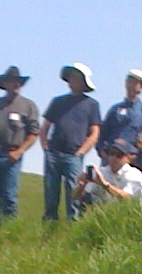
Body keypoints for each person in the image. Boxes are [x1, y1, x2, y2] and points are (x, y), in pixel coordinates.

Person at [40, 63, 103, 222]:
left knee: (74, 193)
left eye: (76, 77)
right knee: (51, 191)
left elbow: (94, 132)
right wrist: (46, 147)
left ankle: (72, 224)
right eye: (71, 76)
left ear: (83, 81)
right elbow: (45, 127)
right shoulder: (57, 101)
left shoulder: (91, 105)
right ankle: (50, 225)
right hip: (54, 152)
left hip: (73, 154)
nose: (73, 80)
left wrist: (81, 151)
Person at [0, 66, 40, 224]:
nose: (14, 85)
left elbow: (34, 133)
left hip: (12, 155)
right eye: (11, 82)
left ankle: (10, 229)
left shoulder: (28, 106)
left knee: (9, 196)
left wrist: (20, 151)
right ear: (5, 84)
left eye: (17, 82)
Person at [72, 139, 142, 211]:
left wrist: (105, 185)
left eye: (118, 155)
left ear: (127, 158)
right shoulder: (102, 172)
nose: (114, 157)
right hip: (107, 215)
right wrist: (82, 185)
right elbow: (75, 196)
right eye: (111, 153)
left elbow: (127, 198)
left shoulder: (134, 174)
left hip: (132, 213)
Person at [99, 69, 142, 153]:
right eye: (129, 82)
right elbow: (102, 132)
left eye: (135, 83)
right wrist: (102, 151)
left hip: (133, 157)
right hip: (112, 156)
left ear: (141, 87)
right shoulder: (114, 109)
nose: (131, 85)